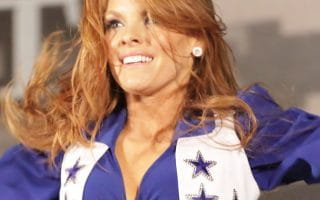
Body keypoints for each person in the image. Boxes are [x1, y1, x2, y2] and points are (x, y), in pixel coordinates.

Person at [0, 0, 319, 199]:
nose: (127, 36)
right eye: (115, 23)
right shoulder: (76, 139)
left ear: (197, 38)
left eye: (151, 18)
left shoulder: (238, 126)